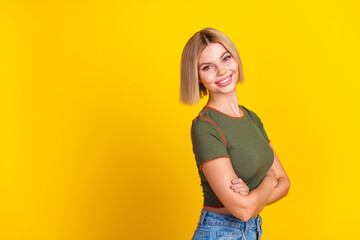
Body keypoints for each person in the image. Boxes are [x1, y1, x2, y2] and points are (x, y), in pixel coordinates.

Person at [180, 28, 290, 239]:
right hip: (219, 232)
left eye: (226, 58)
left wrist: (252, 198)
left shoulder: (251, 117)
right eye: (207, 67)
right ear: (197, 77)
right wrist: (268, 179)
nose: (221, 71)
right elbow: (243, 210)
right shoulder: (205, 126)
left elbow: (285, 182)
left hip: (252, 231)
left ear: (235, 58)